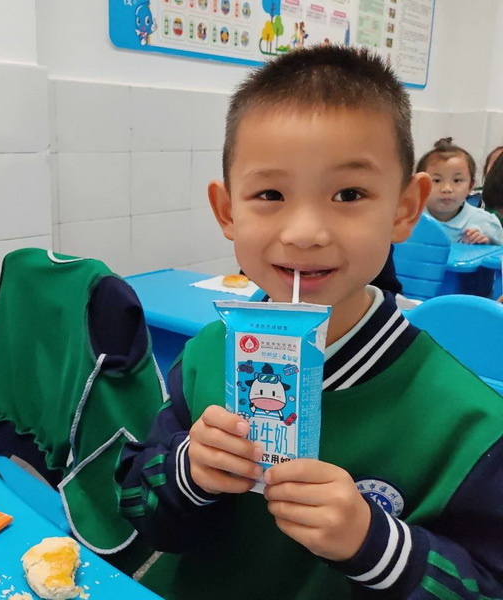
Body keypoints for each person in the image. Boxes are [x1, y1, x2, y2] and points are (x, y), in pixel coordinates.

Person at [116, 45, 503, 599]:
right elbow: (137, 504)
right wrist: (188, 472)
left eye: (349, 194)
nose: (304, 233)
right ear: (228, 211)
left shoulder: (470, 425)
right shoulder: (206, 356)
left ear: (404, 209)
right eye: (270, 193)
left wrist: (376, 545)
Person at [417, 138, 503, 244]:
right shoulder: (406, 219)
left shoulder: (487, 223)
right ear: (421, 185)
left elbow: (498, 252)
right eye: (437, 180)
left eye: (457, 180)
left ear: (470, 186)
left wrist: (483, 246)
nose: (447, 189)